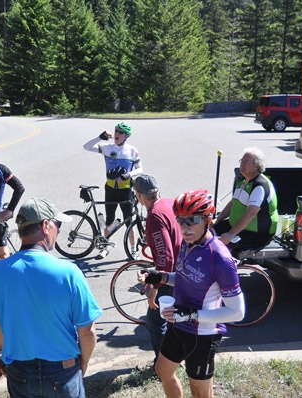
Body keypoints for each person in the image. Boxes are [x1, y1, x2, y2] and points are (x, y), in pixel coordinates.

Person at [0, 198, 102, 398]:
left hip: (19, 372)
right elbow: (87, 331)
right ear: (46, 225)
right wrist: (83, 364)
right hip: (64, 370)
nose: (59, 230)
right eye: (57, 224)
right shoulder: (69, 272)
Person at [139, 189, 245, 398]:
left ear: (209, 220)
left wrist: (191, 314)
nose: (185, 228)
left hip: (202, 333)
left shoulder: (220, 258)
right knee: (163, 370)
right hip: (179, 323)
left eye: (193, 221)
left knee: (199, 392)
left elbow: (237, 312)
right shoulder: (188, 245)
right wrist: (160, 277)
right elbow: (186, 277)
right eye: (180, 221)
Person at [132, 174, 182, 365]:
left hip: (170, 275)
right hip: (182, 270)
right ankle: (174, 359)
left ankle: (162, 366)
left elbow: (165, 257)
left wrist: (154, 289)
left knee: (155, 321)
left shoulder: (154, 216)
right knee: (172, 319)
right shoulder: (169, 203)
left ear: (138, 195)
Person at [83, 122, 142, 259]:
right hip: (110, 189)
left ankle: (133, 250)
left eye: (121, 132)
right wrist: (99, 137)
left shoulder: (132, 150)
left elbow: (140, 169)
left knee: (129, 221)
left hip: (126, 190)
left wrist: (129, 175)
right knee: (109, 219)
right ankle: (105, 247)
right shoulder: (107, 148)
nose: (117, 134)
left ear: (126, 136)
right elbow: (86, 147)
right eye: (116, 131)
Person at [213, 147, 278, 251]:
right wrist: (218, 218)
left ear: (256, 165)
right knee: (207, 233)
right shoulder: (242, 180)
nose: (241, 164)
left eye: (246, 161)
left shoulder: (260, 185)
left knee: (217, 247)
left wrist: (231, 234)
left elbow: (251, 213)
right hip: (235, 225)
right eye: (241, 161)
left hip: (256, 233)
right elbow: (233, 202)